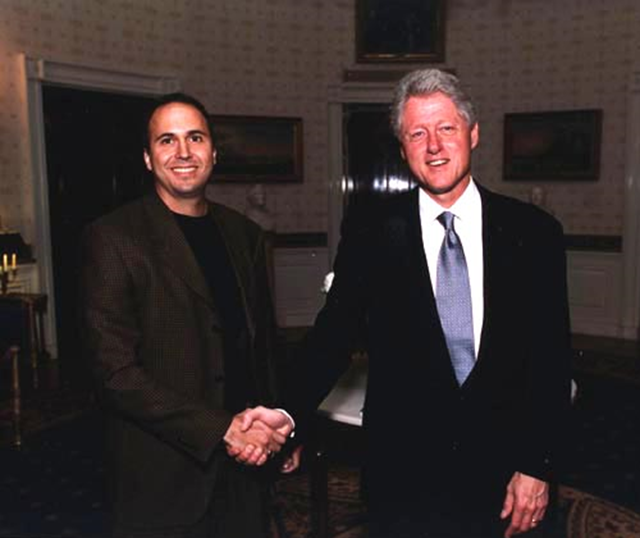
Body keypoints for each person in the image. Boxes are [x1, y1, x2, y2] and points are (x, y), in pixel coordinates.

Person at [239, 69, 572, 538]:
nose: (434, 145)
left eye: (446, 129)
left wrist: (536, 466)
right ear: (403, 149)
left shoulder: (534, 233)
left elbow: (551, 360)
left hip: (505, 473)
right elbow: (333, 334)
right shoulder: (371, 231)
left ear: (473, 134)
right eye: (418, 133)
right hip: (404, 478)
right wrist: (286, 411)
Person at [79, 93, 293, 538]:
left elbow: (262, 345)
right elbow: (114, 373)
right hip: (163, 476)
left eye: (194, 137)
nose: (182, 153)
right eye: (166, 140)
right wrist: (221, 430)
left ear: (213, 151)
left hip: (246, 472)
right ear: (147, 157)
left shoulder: (245, 235)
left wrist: (282, 428)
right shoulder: (114, 238)